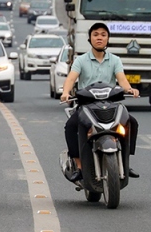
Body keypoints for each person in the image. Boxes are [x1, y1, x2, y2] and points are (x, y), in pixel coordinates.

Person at [60, 22, 141, 180]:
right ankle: (79, 166)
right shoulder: (80, 60)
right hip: (86, 106)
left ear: (108, 39)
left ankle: (125, 161)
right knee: (70, 127)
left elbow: (122, 80)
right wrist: (65, 92)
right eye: (95, 35)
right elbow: (71, 79)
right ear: (90, 39)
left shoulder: (115, 60)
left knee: (132, 123)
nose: (99, 38)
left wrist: (130, 89)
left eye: (103, 35)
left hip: (111, 105)